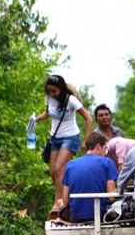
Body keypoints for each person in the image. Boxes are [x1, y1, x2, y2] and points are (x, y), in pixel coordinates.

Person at [32, 75, 93, 212]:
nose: (52, 94)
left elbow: (88, 118)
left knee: (60, 168)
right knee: (53, 172)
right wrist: (36, 119)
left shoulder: (70, 100)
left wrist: (86, 140)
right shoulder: (49, 98)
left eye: (55, 91)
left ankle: (59, 204)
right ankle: (67, 195)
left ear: (62, 89)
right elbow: (47, 114)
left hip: (70, 137)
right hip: (55, 137)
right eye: (49, 91)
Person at [59, 132, 119, 223]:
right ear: (98, 146)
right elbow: (111, 197)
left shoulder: (70, 164)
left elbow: (65, 201)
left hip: (76, 218)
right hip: (101, 217)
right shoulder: (107, 162)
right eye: (105, 148)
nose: (105, 153)